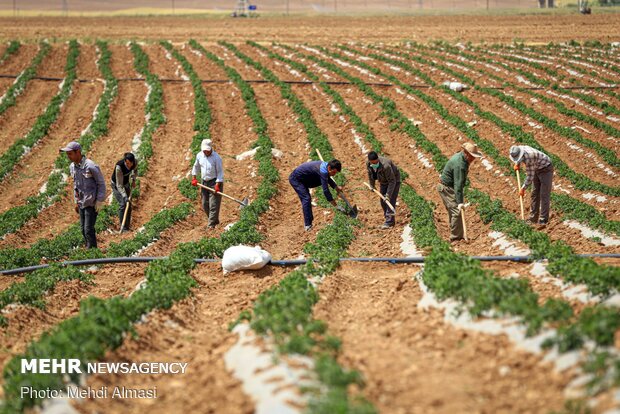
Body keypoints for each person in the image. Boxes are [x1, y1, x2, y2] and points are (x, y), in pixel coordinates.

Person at [60, 141, 106, 249]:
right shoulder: (72, 167)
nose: (68, 156)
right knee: (82, 229)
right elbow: (76, 185)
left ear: (78, 152)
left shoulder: (90, 166)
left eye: (70, 153)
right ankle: (90, 249)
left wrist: (99, 201)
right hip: (81, 202)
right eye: (67, 154)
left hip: (91, 202)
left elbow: (101, 183)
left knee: (88, 229)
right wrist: (76, 201)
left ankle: (92, 252)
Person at [437, 142, 482, 242]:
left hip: (449, 187)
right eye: (471, 156)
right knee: (456, 211)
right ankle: (456, 238)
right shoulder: (460, 164)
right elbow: (458, 185)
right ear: (466, 153)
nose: (473, 159)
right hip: (446, 188)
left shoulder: (462, 159)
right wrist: (460, 202)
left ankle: (458, 234)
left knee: (454, 210)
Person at [289, 159, 342, 231]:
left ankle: (310, 221)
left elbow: (327, 178)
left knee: (322, 179)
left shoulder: (326, 166)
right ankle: (307, 225)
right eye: (333, 172)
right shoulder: (323, 171)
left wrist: (336, 187)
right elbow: (326, 191)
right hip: (296, 180)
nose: (334, 174)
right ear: (329, 168)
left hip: (305, 179)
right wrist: (336, 206)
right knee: (306, 199)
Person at [509, 145, 554, 226]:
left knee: (544, 194)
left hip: (545, 168)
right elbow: (519, 158)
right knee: (534, 194)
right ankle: (533, 218)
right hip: (536, 167)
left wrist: (523, 188)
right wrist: (517, 163)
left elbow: (530, 176)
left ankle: (543, 219)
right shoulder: (518, 149)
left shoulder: (530, 157)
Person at [191, 139, 224, 228]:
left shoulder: (216, 158)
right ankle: (214, 221)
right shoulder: (199, 156)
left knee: (213, 205)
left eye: (207, 150)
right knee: (205, 204)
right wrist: (194, 178)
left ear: (211, 149)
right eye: (204, 150)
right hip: (204, 182)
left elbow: (220, 172)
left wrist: (217, 185)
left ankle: (211, 225)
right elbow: (196, 167)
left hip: (215, 182)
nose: (206, 152)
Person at [366, 151, 401, 229]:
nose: (375, 164)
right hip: (383, 181)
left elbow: (392, 181)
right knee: (382, 201)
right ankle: (388, 219)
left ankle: (389, 222)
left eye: (376, 163)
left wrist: (388, 195)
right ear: (369, 161)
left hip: (394, 180)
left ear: (378, 159)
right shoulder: (368, 164)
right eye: (373, 163)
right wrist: (372, 185)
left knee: (389, 201)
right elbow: (370, 174)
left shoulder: (386, 166)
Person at [111, 152, 137, 232]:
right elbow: (119, 185)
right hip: (116, 185)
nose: (130, 165)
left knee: (128, 204)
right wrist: (124, 196)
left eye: (131, 163)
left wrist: (133, 179)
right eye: (128, 163)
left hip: (126, 183)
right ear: (125, 161)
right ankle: (123, 228)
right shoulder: (119, 167)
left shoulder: (134, 163)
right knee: (123, 204)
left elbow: (135, 171)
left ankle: (127, 227)